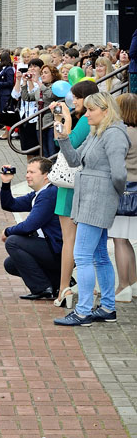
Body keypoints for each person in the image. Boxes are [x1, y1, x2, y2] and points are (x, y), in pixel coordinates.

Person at [54, 92, 130, 326]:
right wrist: (63, 138)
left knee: (83, 255)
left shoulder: (114, 133)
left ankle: (84, 311)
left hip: (97, 199)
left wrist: (113, 194)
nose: (86, 114)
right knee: (98, 255)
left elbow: (119, 174)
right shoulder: (98, 131)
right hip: (90, 198)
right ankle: (107, 307)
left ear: (105, 110)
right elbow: (75, 160)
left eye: (91, 110)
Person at [51, 80, 99, 308]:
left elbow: (68, 145)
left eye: (77, 97)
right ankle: (86, 287)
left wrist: (65, 121)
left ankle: (64, 288)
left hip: (72, 184)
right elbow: (58, 140)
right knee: (80, 241)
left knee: (70, 241)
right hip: (74, 184)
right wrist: (59, 120)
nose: (74, 101)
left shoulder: (84, 122)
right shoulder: (86, 120)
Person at [0, 158, 63, 300]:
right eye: (27, 172)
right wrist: (6, 183)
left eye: (32, 172)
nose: (27, 175)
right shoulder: (39, 193)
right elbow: (10, 205)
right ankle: (56, 282)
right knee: (11, 264)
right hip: (49, 248)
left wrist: (7, 231)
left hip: (58, 251)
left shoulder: (49, 194)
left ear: (46, 175)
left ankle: (42, 288)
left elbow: (29, 226)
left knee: (13, 242)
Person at [108, 93, 137, 301]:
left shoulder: (122, 133)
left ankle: (123, 285)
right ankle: (133, 283)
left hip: (123, 189)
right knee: (126, 240)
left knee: (120, 239)